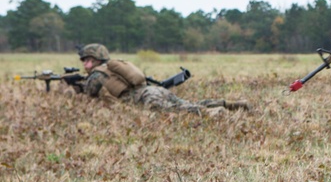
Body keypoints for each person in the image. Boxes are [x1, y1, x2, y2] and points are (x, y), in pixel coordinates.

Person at [76, 44, 250, 115]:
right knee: (186, 104)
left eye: (88, 60)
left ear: (96, 60)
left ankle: (214, 112)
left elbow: (89, 94)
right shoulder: (111, 69)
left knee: (178, 111)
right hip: (155, 91)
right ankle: (228, 103)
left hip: (145, 97)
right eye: (85, 61)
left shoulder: (97, 75)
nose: (86, 64)